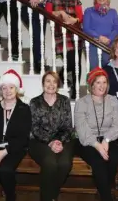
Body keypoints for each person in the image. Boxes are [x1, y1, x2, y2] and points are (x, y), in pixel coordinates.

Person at [0, 69, 31, 201]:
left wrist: (5, 151)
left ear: (16, 89)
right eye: (4, 88)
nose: (8, 91)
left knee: (5, 170)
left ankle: (11, 196)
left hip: (14, 148)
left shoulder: (24, 109)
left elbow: (23, 138)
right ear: (0, 90)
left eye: (11, 87)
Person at [74, 67, 118, 201]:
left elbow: (117, 124)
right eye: (98, 82)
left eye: (104, 82)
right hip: (87, 141)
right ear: (91, 84)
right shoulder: (81, 103)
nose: (102, 86)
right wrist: (97, 145)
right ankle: (107, 196)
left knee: (113, 158)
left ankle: (105, 187)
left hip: (108, 137)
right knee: (98, 162)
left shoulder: (113, 100)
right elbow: (82, 129)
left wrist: (106, 140)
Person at [29, 71, 75, 201]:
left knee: (65, 164)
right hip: (39, 141)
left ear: (58, 85)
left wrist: (58, 141)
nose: (51, 84)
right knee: (50, 163)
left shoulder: (64, 101)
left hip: (62, 140)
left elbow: (67, 126)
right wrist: (50, 142)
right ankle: (47, 198)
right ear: (43, 84)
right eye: (48, 81)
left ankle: (50, 195)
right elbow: (35, 128)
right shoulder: (34, 102)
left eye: (54, 81)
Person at [45, 0, 83, 99]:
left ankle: (75, 90)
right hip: (61, 35)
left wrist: (75, 20)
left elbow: (80, 17)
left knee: (77, 63)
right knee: (70, 62)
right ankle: (60, 77)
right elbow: (47, 13)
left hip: (76, 34)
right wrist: (60, 12)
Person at [83, 0, 118, 69]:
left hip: (109, 45)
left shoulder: (113, 12)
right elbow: (86, 28)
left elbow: (116, 29)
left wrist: (109, 39)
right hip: (93, 45)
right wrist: (99, 37)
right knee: (95, 72)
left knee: (109, 72)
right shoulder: (89, 11)